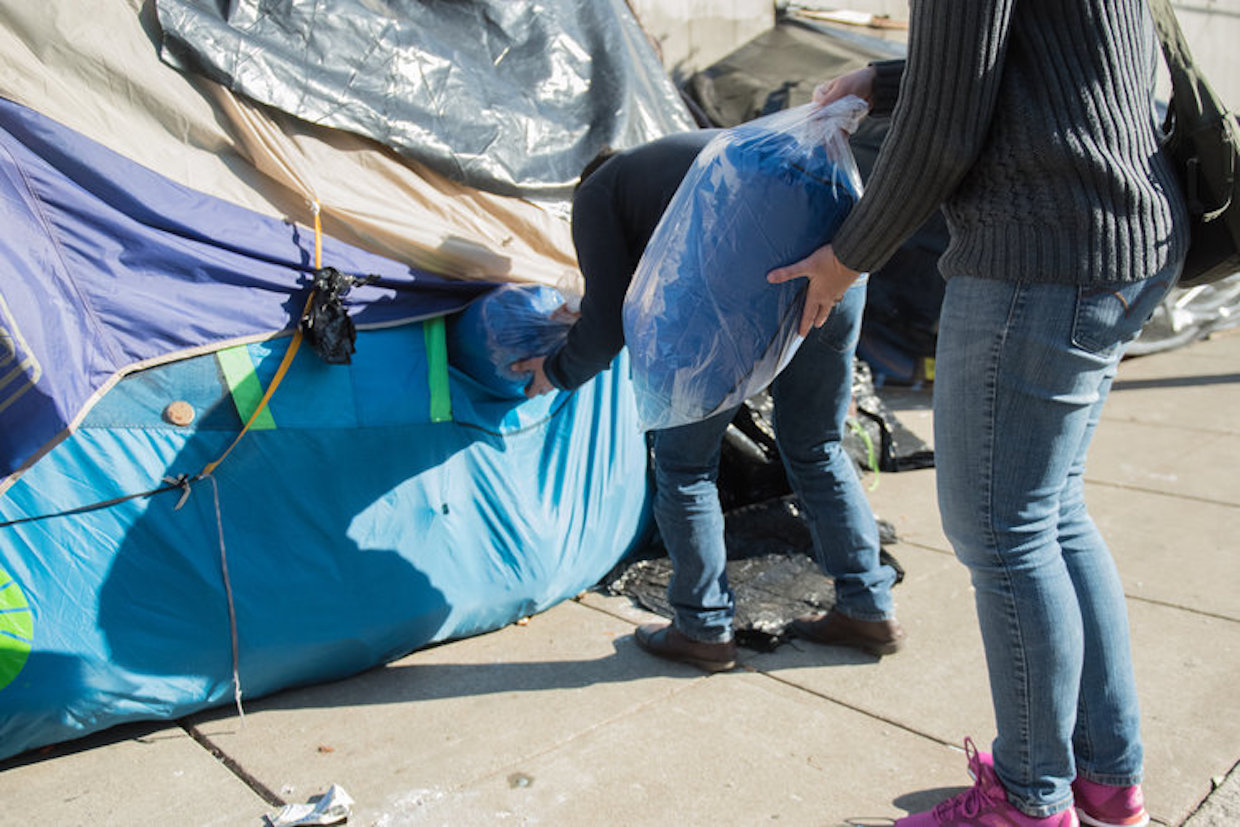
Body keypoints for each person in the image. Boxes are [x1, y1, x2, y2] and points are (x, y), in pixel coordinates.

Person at [766, 1, 1188, 825]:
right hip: (1119, 234)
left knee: (1002, 533)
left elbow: (945, 127)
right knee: (1052, 514)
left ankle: (1030, 800)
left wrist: (848, 258)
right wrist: (885, 80)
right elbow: (1054, 57)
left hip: (1041, 252)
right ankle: (1104, 776)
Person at [512, 129, 904, 672]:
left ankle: (703, 627)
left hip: (738, 291)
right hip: (836, 272)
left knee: (686, 466)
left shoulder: (598, 191)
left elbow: (607, 328)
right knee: (815, 446)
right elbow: (633, 291)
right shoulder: (692, 158)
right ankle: (867, 608)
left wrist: (553, 371)